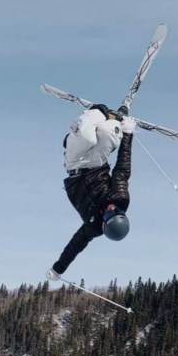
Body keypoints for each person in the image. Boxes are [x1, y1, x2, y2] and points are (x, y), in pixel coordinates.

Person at [46, 103, 136, 280]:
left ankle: (96, 112)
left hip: (74, 165)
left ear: (104, 223)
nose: (111, 209)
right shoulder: (120, 198)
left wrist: (58, 269)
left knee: (88, 138)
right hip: (96, 164)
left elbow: (75, 245)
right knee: (111, 129)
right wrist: (127, 134)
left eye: (109, 215)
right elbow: (122, 169)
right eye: (117, 212)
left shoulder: (93, 227)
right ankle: (114, 119)